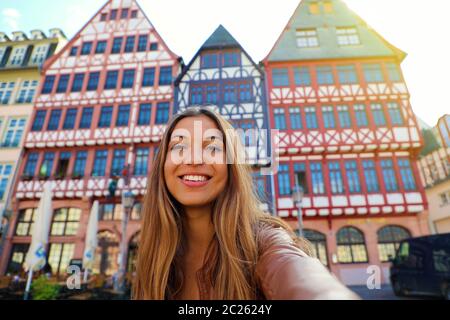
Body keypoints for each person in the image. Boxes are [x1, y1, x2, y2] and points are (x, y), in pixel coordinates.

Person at [133, 107, 359, 300]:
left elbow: (299, 273)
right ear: (162, 165)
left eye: (213, 148)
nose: (193, 159)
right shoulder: (153, 253)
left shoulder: (262, 242)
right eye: (179, 147)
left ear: (232, 168)